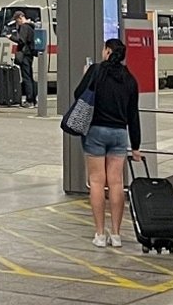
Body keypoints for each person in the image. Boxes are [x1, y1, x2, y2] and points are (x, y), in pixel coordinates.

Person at [72, 37, 142, 248]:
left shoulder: (95, 71)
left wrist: (86, 76)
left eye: (104, 49)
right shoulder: (130, 79)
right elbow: (133, 115)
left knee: (96, 182)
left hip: (96, 132)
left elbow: (78, 94)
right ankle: (117, 234)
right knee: (116, 183)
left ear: (108, 51)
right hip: (119, 134)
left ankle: (100, 234)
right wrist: (136, 146)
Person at [9, 11, 39, 107]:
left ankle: (29, 100)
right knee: (29, 76)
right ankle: (33, 100)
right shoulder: (31, 27)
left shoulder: (24, 27)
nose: (17, 23)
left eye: (17, 20)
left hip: (25, 55)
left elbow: (21, 41)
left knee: (26, 78)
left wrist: (11, 37)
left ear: (21, 17)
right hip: (30, 54)